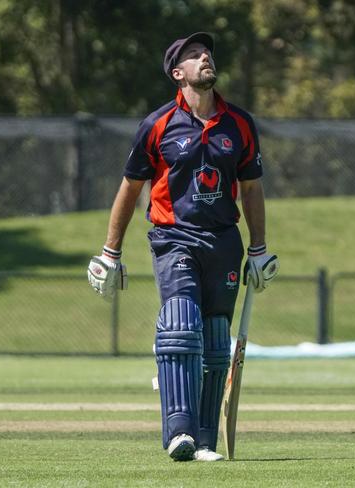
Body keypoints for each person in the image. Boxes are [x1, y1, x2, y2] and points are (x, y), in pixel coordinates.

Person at [87, 32, 279, 462]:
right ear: (179, 74)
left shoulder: (240, 124)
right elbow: (130, 187)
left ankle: (206, 440)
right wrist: (110, 252)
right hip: (174, 238)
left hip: (224, 242)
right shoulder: (157, 125)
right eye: (193, 55)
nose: (205, 56)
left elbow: (251, 188)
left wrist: (259, 249)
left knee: (214, 341)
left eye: (206, 51)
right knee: (180, 324)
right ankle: (179, 433)